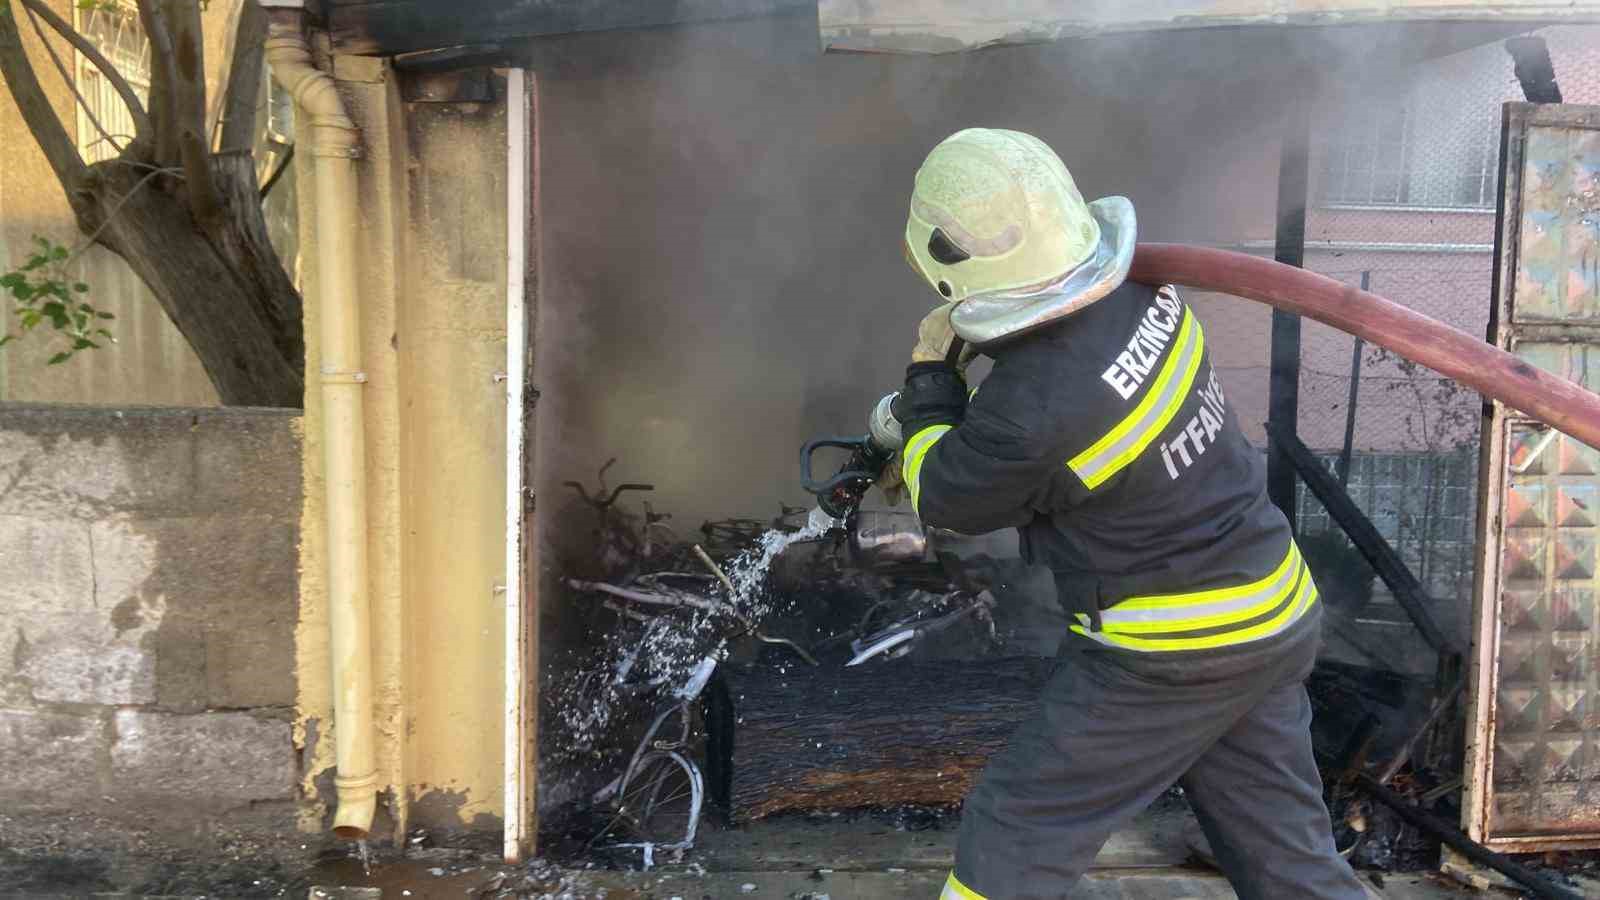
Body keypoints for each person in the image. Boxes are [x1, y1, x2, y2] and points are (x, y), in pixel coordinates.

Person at [873, 128, 1369, 900]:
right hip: (1271, 611)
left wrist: (929, 385)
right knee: (1288, 860)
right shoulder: (1146, 291)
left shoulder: (1032, 408)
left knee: (1018, 827)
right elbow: (1072, 406)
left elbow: (946, 495)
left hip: (1172, 650)